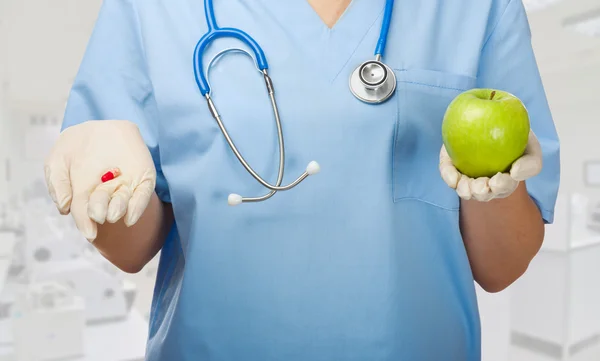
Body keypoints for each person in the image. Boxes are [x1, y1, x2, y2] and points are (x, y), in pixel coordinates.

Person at [44, 0, 560, 360]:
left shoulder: (476, 8)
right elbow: (132, 250)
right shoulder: (149, 9)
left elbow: (503, 266)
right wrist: (106, 181)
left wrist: (498, 185)